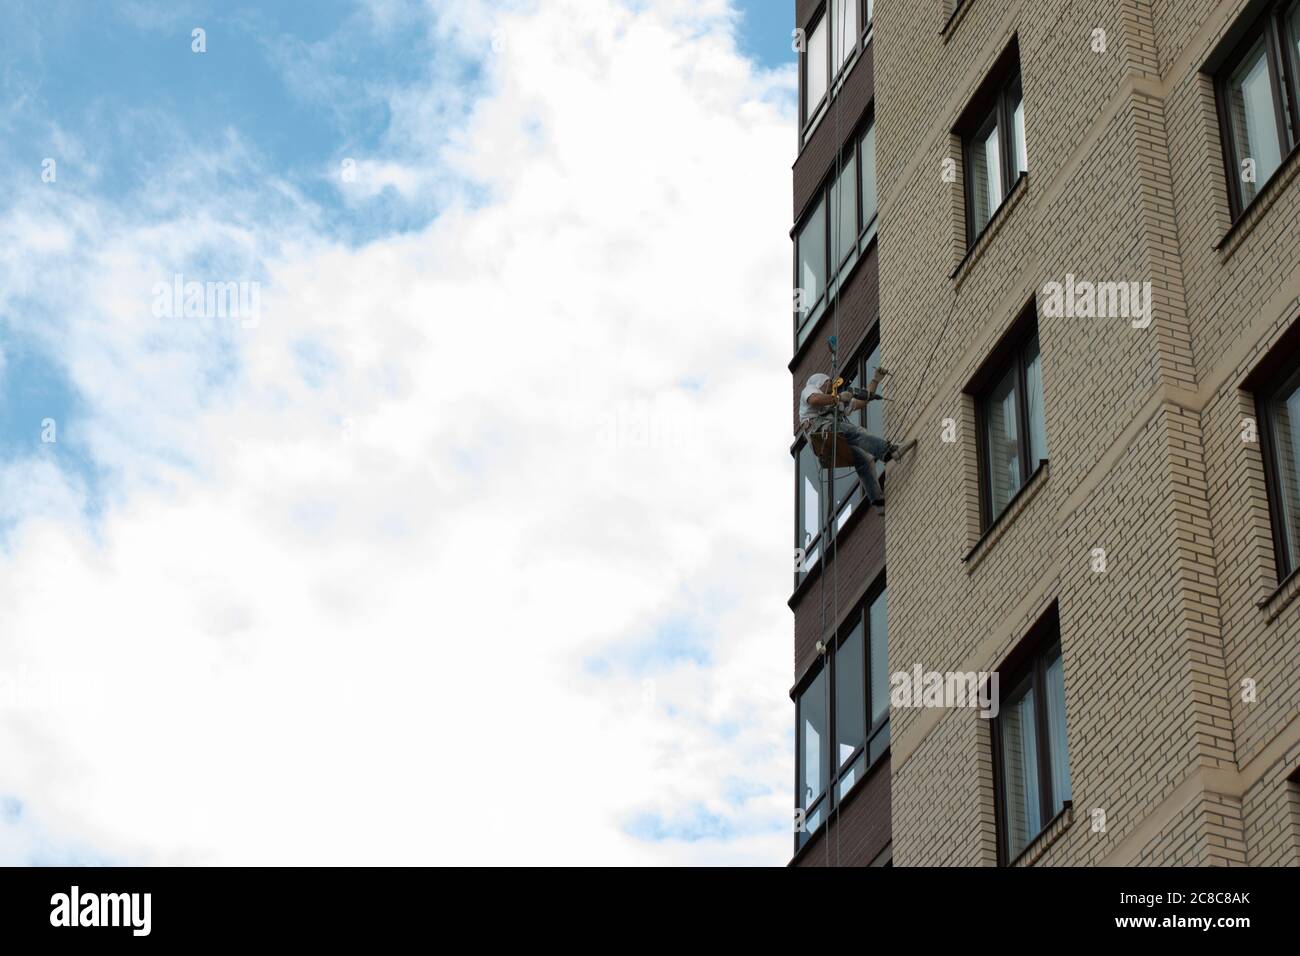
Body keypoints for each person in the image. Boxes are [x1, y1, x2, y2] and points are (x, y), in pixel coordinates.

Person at [798, 367, 908, 515]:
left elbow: (861, 402)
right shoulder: (810, 390)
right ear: (820, 383)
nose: (831, 389)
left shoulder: (834, 402)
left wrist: (875, 380)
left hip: (829, 437)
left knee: (864, 461)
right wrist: (837, 398)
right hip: (820, 431)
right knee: (856, 432)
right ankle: (890, 451)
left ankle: (878, 501)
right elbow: (815, 400)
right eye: (829, 384)